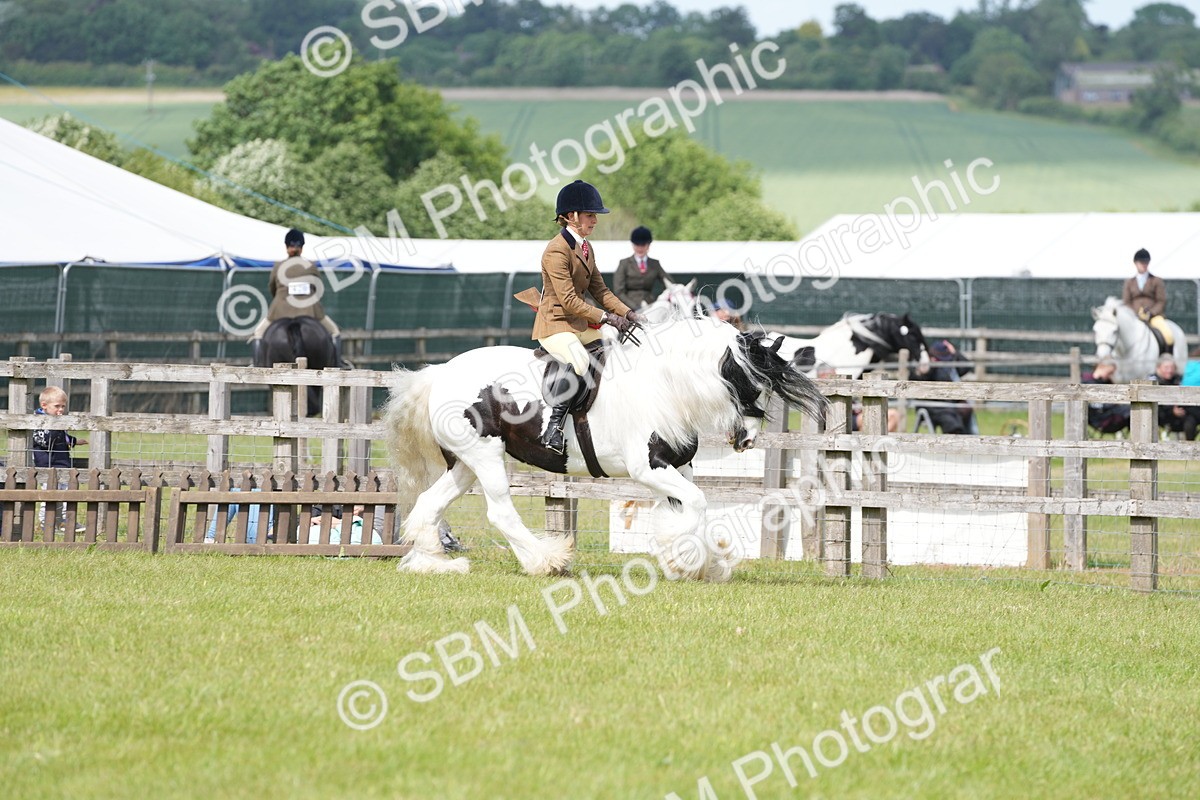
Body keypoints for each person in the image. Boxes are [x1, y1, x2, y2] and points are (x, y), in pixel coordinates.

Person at [516, 179, 643, 454]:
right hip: (555, 324)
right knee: (580, 359)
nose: (595, 220)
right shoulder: (556, 250)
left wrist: (629, 314)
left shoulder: (585, 247)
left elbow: (601, 291)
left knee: (613, 349)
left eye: (594, 215)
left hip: (576, 323)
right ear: (571, 216)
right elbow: (569, 300)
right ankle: (554, 427)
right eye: (590, 215)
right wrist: (608, 318)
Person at [250, 229, 344, 366]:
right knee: (335, 332)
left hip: (280, 311)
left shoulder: (278, 266)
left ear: (286, 246)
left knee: (258, 333)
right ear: (302, 247)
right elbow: (318, 289)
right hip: (310, 310)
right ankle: (338, 364)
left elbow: (273, 288)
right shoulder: (310, 265)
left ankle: (257, 365)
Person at [32, 385, 87, 532]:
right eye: (57, 406)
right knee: (48, 494)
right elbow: (44, 441)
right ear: (44, 405)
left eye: (63, 406)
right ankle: (45, 523)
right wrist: (56, 426)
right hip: (47, 464)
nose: (61, 410)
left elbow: (63, 437)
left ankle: (64, 521)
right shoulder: (38, 421)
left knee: (66, 493)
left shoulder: (57, 420)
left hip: (62, 462)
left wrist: (74, 441)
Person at [912, 339, 977, 435]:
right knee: (950, 420)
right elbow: (918, 378)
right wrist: (926, 368)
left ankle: (970, 438)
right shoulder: (928, 368)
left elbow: (966, 366)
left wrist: (955, 352)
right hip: (933, 406)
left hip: (948, 404)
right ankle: (955, 438)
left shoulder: (948, 368)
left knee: (966, 408)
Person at [613, 226, 672, 310]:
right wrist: (635, 307)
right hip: (628, 308)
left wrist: (660, 301)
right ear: (633, 245)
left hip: (650, 306)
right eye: (637, 245)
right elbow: (618, 291)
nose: (640, 248)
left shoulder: (655, 264)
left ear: (648, 245)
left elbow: (669, 283)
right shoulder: (624, 263)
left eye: (643, 245)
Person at [1122, 248, 1172, 346]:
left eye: (1146, 262)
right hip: (1134, 317)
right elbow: (1126, 302)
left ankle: (1166, 354)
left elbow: (1161, 301)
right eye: (1141, 262)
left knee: (1168, 335)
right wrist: (1135, 313)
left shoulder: (1156, 281)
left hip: (1153, 317)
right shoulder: (1129, 282)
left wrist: (1151, 312)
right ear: (1135, 263)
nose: (1144, 265)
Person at [1149, 354, 1200, 440]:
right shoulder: (1152, 380)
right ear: (1158, 368)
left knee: (1191, 419)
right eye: (1166, 367)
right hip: (1161, 416)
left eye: (1172, 368)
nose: (1169, 370)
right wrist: (1172, 410)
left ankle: (1190, 446)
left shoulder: (1179, 379)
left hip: (1183, 414)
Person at [1083, 358, 1130, 436]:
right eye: (1109, 373)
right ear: (1102, 367)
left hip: (1113, 416)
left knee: (1133, 410)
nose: (1110, 376)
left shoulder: (1107, 382)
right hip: (1101, 419)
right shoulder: (1087, 383)